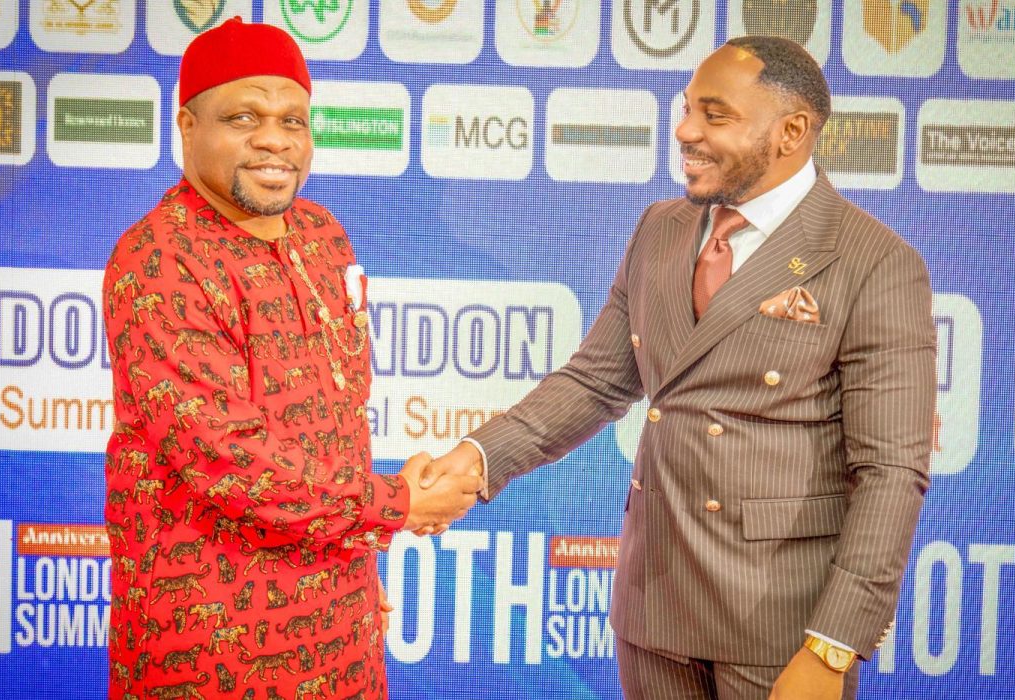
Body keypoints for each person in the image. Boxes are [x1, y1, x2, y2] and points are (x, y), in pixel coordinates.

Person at [419, 36, 936, 700]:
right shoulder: (659, 229)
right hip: (653, 610)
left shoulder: (874, 262)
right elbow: (595, 382)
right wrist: (476, 458)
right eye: (687, 108)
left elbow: (890, 473)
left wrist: (833, 645)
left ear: (791, 132)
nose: (686, 131)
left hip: (780, 629)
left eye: (714, 115)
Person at [101, 18, 479, 700]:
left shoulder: (321, 233)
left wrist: (356, 567)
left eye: (293, 120)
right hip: (212, 643)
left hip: (340, 627)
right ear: (187, 127)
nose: (275, 139)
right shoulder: (160, 258)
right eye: (243, 117)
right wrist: (397, 503)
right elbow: (227, 457)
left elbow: (337, 423)